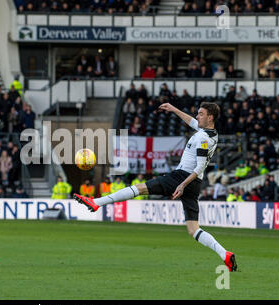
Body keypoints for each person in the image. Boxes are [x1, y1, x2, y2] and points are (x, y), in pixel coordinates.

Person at [74, 101, 237, 272]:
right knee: (193, 229)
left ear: (210, 117)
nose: (197, 116)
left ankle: (97, 202)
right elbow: (191, 121)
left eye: (201, 113)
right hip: (194, 184)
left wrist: (181, 184)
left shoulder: (203, 138)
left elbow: (200, 166)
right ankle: (224, 254)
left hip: (183, 177)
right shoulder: (210, 133)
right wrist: (173, 109)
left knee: (140, 188)